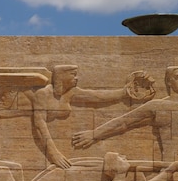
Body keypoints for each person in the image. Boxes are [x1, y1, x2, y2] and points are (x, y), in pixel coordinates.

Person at [25, 65, 155, 169]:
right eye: (73, 75)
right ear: (62, 76)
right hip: (30, 138)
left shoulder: (70, 92)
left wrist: (125, 93)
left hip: (70, 143)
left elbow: (97, 96)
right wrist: (54, 154)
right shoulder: (43, 94)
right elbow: (39, 125)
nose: (77, 78)